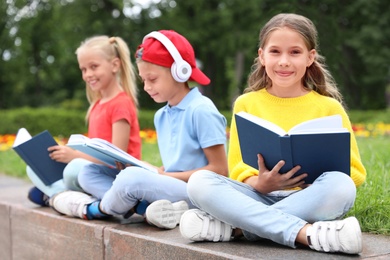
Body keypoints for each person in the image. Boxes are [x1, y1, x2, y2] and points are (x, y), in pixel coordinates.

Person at [179, 13, 367, 255]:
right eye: (275, 52)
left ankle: (238, 230)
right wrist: (260, 183)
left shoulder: (329, 108)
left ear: (310, 57)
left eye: (295, 52)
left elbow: (355, 173)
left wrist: (311, 183)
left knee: (342, 186)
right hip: (256, 196)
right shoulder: (246, 103)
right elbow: (237, 167)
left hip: (308, 198)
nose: (284, 61)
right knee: (199, 182)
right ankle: (306, 234)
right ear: (262, 56)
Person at [50, 30, 229, 229]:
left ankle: (94, 209)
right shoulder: (161, 115)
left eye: (152, 79)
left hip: (197, 192)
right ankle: (145, 208)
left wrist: (161, 176)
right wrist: (152, 169)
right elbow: (174, 166)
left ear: (180, 72)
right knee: (89, 173)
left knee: (131, 179)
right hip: (171, 186)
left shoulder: (202, 110)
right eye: (143, 81)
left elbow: (219, 170)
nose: (146, 87)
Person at [27, 35, 141, 207]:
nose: (88, 74)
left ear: (115, 65)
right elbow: (92, 151)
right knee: (33, 168)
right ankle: (65, 195)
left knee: (75, 168)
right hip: (92, 170)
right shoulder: (96, 105)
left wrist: (75, 156)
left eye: (93, 67)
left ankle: (60, 195)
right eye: (83, 69)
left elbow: (117, 158)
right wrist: (67, 152)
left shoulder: (121, 104)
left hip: (114, 175)